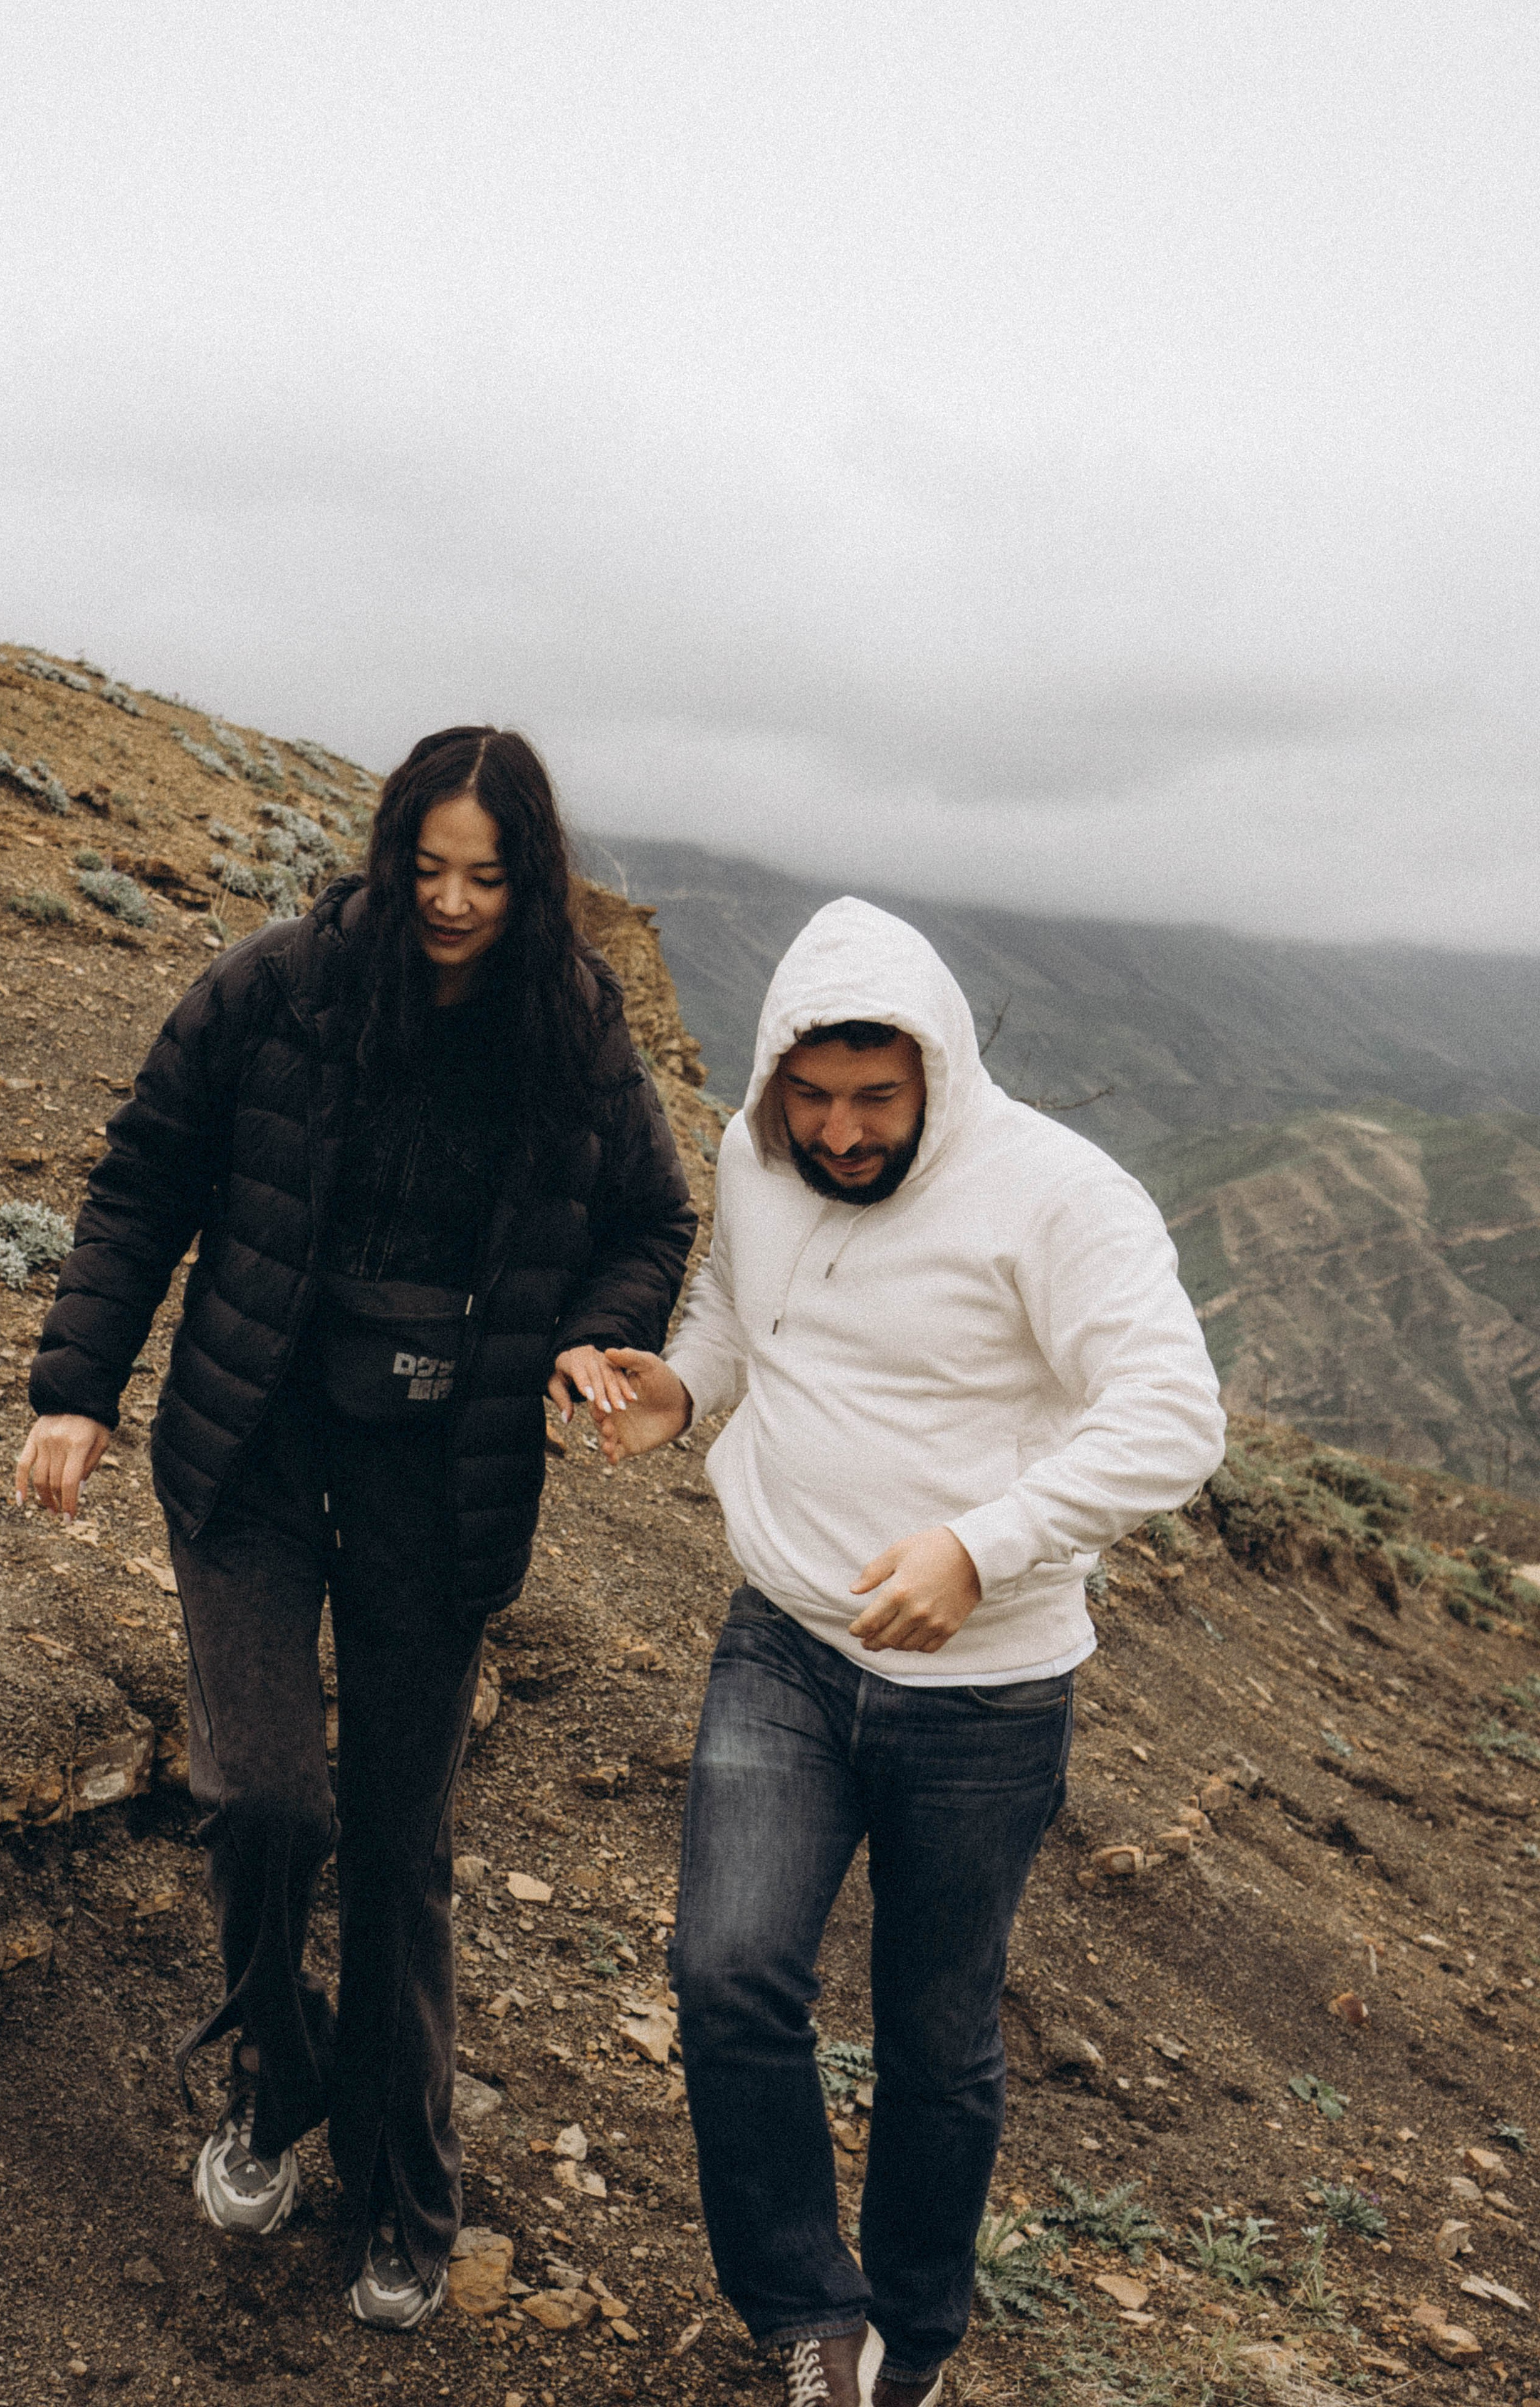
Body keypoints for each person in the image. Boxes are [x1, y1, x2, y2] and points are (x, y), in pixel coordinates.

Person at [15, 728, 695, 2330]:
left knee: (400, 1847)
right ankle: (277, 2084)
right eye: (429, 868)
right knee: (261, 1796)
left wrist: (597, 1337)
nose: (453, 903)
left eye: (488, 875)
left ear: (532, 881)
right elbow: (141, 1180)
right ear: (387, 854)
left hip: (437, 1473)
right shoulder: (279, 987)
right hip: (251, 1445)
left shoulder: (571, 1033)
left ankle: (406, 2191)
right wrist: (78, 1385)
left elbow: (650, 1216)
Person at [583, 897, 1225, 2407]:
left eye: (875, 1098)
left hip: (986, 1691)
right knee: (727, 1973)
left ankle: (912, 2347)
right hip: (784, 1646)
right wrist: (675, 1396)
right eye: (811, 1097)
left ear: (937, 1069)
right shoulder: (754, 1154)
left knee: (933, 2038)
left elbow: (1171, 1416)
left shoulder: (1055, 1197)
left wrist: (978, 1545)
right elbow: (745, 1309)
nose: (840, 1131)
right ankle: (807, 2315)